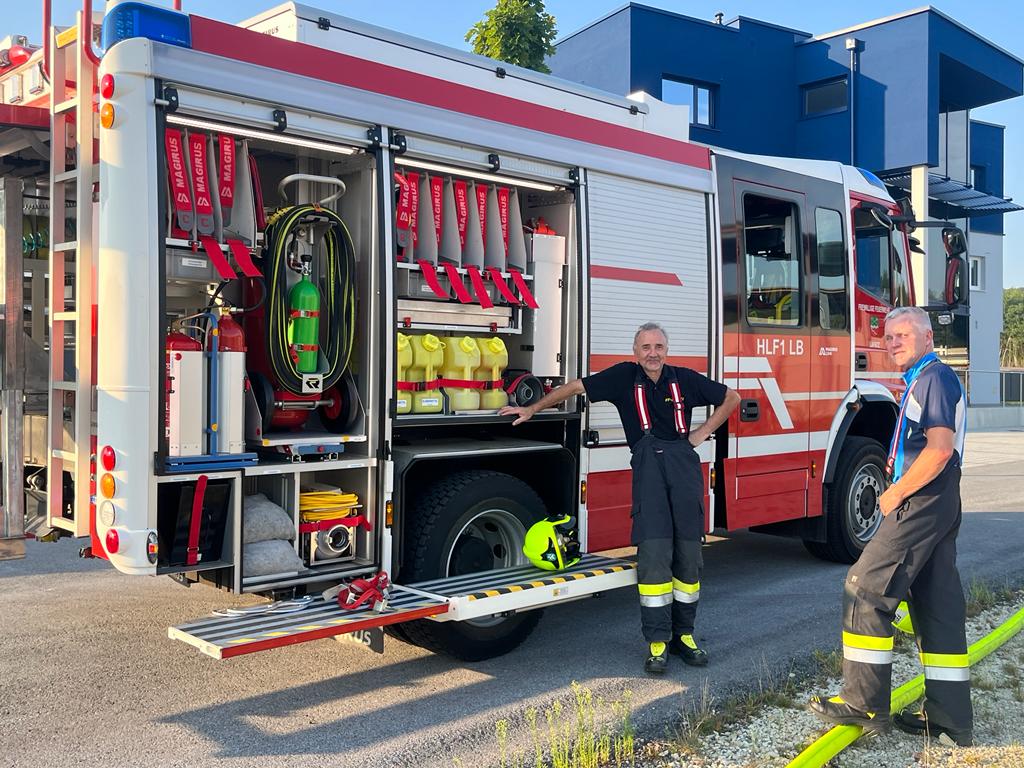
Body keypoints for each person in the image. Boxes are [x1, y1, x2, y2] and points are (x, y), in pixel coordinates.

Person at [500, 322, 739, 674]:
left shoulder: (684, 379)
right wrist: (534, 409)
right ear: (635, 352)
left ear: (666, 349)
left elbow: (730, 397)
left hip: (685, 470)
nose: (653, 353)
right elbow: (577, 386)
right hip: (649, 472)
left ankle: (684, 637)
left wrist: (702, 432)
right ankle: (657, 643)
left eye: (658, 346)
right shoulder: (623, 378)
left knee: (689, 558)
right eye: (646, 347)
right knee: (655, 557)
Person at [808, 305, 972, 746]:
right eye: (888, 336)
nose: (892, 342)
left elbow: (938, 451)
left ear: (927, 339)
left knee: (864, 590)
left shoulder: (933, 378)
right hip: (940, 498)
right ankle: (951, 719)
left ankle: (863, 704)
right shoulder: (925, 379)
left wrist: (896, 492)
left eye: (903, 334)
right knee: (936, 604)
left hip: (922, 496)